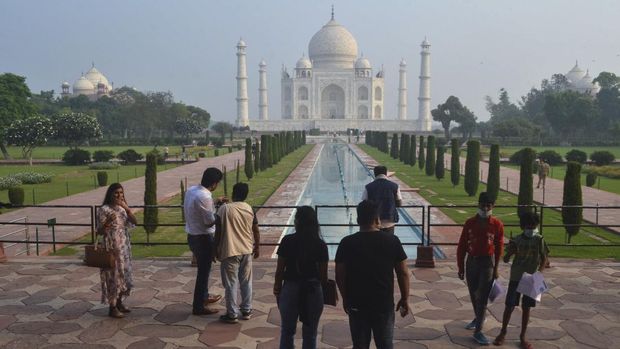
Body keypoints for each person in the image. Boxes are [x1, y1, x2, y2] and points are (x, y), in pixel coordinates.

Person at [335, 200, 410, 349]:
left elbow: (339, 275)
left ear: (357, 221)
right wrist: (405, 298)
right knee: (385, 344)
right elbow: (403, 273)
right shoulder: (392, 241)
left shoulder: (347, 243)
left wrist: (345, 298)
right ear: (377, 220)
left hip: (357, 303)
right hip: (383, 303)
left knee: (360, 345)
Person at [274, 206, 328, 349]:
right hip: (312, 288)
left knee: (287, 330)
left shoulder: (288, 240)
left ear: (297, 221)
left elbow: (280, 271)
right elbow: (323, 276)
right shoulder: (320, 244)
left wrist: (277, 288)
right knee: (310, 333)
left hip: (291, 287)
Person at [493, 212, 549, 349]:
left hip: (531, 278)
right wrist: (511, 252)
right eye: (528, 226)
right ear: (523, 226)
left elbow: (544, 258)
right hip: (516, 276)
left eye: (533, 226)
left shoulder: (539, 239)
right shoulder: (517, 240)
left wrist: (539, 273)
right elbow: (505, 259)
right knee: (510, 306)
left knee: (526, 307)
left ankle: (523, 336)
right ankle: (503, 332)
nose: (531, 229)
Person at [456, 192, 504, 345]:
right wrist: (460, 266)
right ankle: (478, 317)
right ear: (478, 205)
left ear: (492, 206)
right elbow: (462, 245)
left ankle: (478, 331)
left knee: (482, 296)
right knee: (473, 293)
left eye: (488, 206)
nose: (485, 208)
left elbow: (499, 248)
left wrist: (496, 268)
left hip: (487, 263)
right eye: (483, 205)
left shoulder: (497, 224)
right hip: (472, 261)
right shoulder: (470, 223)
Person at [215, 182, 261, 324]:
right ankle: (246, 310)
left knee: (231, 283)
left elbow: (218, 231)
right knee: (246, 281)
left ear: (233, 193)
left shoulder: (224, 209)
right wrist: (257, 246)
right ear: (245, 195)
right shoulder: (249, 208)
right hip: (246, 250)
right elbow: (256, 230)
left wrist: (214, 249)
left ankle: (232, 314)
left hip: (230, 250)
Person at [184, 167, 226, 316]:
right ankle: (198, 306)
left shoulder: (191, 190)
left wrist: (216, 202)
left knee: (204, 270)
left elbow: (198, 207)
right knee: (203, 272)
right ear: (214, 183)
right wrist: (220, 212)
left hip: (192, 235)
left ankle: (204, 296)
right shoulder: (205, 197)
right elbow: (209, 222)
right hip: (203, 238)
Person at [97, 183, 137, 318]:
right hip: (112, 246)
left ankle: (120, 302)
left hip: (123, 246)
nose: (119, 195)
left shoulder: (122, 209)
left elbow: (134, 222)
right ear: (110, 194)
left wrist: (128, 209)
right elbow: (100, 231)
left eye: (121, 193)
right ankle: (112, 306)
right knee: (113, 276)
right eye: (116, 193)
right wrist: (108, 221)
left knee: (123, 274)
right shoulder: (104, 209)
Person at [361, 166, 402, 234]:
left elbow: (364, 203)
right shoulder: (395, 186)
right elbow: (399, 203)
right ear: (386, 173)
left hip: (373, 222)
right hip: (390, 221)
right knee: (389, 242)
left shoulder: (368, 187)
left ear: (375, 174)